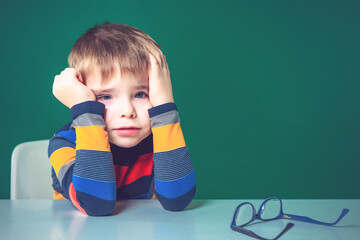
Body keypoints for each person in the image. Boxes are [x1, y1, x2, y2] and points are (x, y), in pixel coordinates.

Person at [48, 23, 196, 216]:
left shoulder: (159, 138)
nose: (128, 111)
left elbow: (177, 201)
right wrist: (84, 110)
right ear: (81, 95)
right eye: (105, 96)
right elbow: (96, 205)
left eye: (141, 94)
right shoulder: (64, 143)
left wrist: (164, 105)